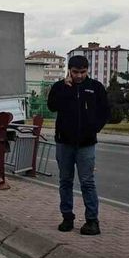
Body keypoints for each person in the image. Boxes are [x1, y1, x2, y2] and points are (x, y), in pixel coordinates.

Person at [47, 55, 110, 235]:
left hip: (86, 144)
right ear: (69, 71)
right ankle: (67, 217)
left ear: (87, 70)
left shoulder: (95, 87)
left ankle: (92, 220)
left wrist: (94, 128)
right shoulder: (59, 87)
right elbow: (52, 106)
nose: (79, 76)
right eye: (75, 72)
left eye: (83, 72)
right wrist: (66, 89)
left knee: (87, 182)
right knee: (65, 181)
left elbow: (105, 111)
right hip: (64, 142)